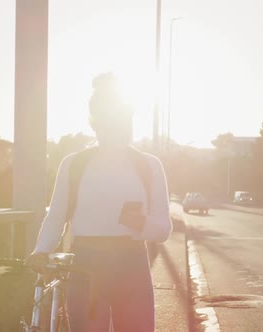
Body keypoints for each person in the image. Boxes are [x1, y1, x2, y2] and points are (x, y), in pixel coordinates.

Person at [26, 73, 172, 331]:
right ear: (94, 123)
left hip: (132, 265)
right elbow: (56, 217)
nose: (117, 128)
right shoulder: (74, 164)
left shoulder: (148, 166)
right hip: (85, 266)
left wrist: (141, 223)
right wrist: (40, 251)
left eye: (123, 121)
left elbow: (163, 229)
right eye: (109, 121)